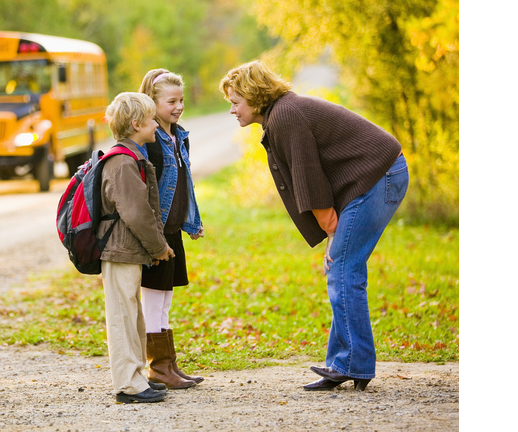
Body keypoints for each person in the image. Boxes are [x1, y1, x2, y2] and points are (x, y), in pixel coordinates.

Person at [219, 60, 408, 392]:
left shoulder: (285, 115)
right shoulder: (282, 113)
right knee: (343, 268)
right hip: (375, 178)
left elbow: (309, 178)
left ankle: (353, 364)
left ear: (254, 96)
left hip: (380, 176)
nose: (233, 110)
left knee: (343, 268)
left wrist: (331, 232)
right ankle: (343, 362)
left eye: (236, 102)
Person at [99, 92, 176, 403]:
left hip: (129, 250)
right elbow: (136, 212)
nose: (156, 125)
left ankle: (137, 376)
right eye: (151, 120)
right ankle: (128, 385)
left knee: (133, 316)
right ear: (135, 124)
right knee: (122, 317)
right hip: (119, 251)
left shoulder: (132, 157)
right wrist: (159, 247)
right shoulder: (121, 162)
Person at [137, 69, 205, 389]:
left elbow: (185, 185)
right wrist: (152, 234)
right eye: (171, 101)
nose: (178, 106)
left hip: (174, 229)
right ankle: (158, 367)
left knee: (165, 299)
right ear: (152, 102)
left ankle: (169, 365)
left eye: (181, 100)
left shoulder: (180, 136)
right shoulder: (150, 141)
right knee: (153, 299)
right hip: (156, 233)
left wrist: (192, 221)